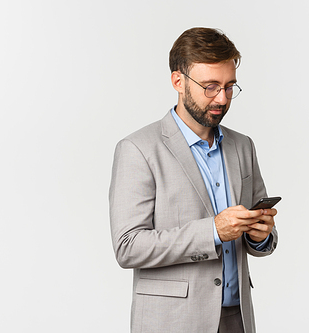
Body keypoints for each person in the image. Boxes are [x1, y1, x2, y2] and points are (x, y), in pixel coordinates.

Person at [109, 27, 278, 333]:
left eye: (229, 87)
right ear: (178, 81)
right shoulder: (138, 149)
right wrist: (213, 230)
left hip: (236, 318)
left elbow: (260, 240)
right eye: (210, 86)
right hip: (173, 321)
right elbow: (128, 246)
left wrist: (260, 235)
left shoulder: (243, 146)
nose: (222, 98)